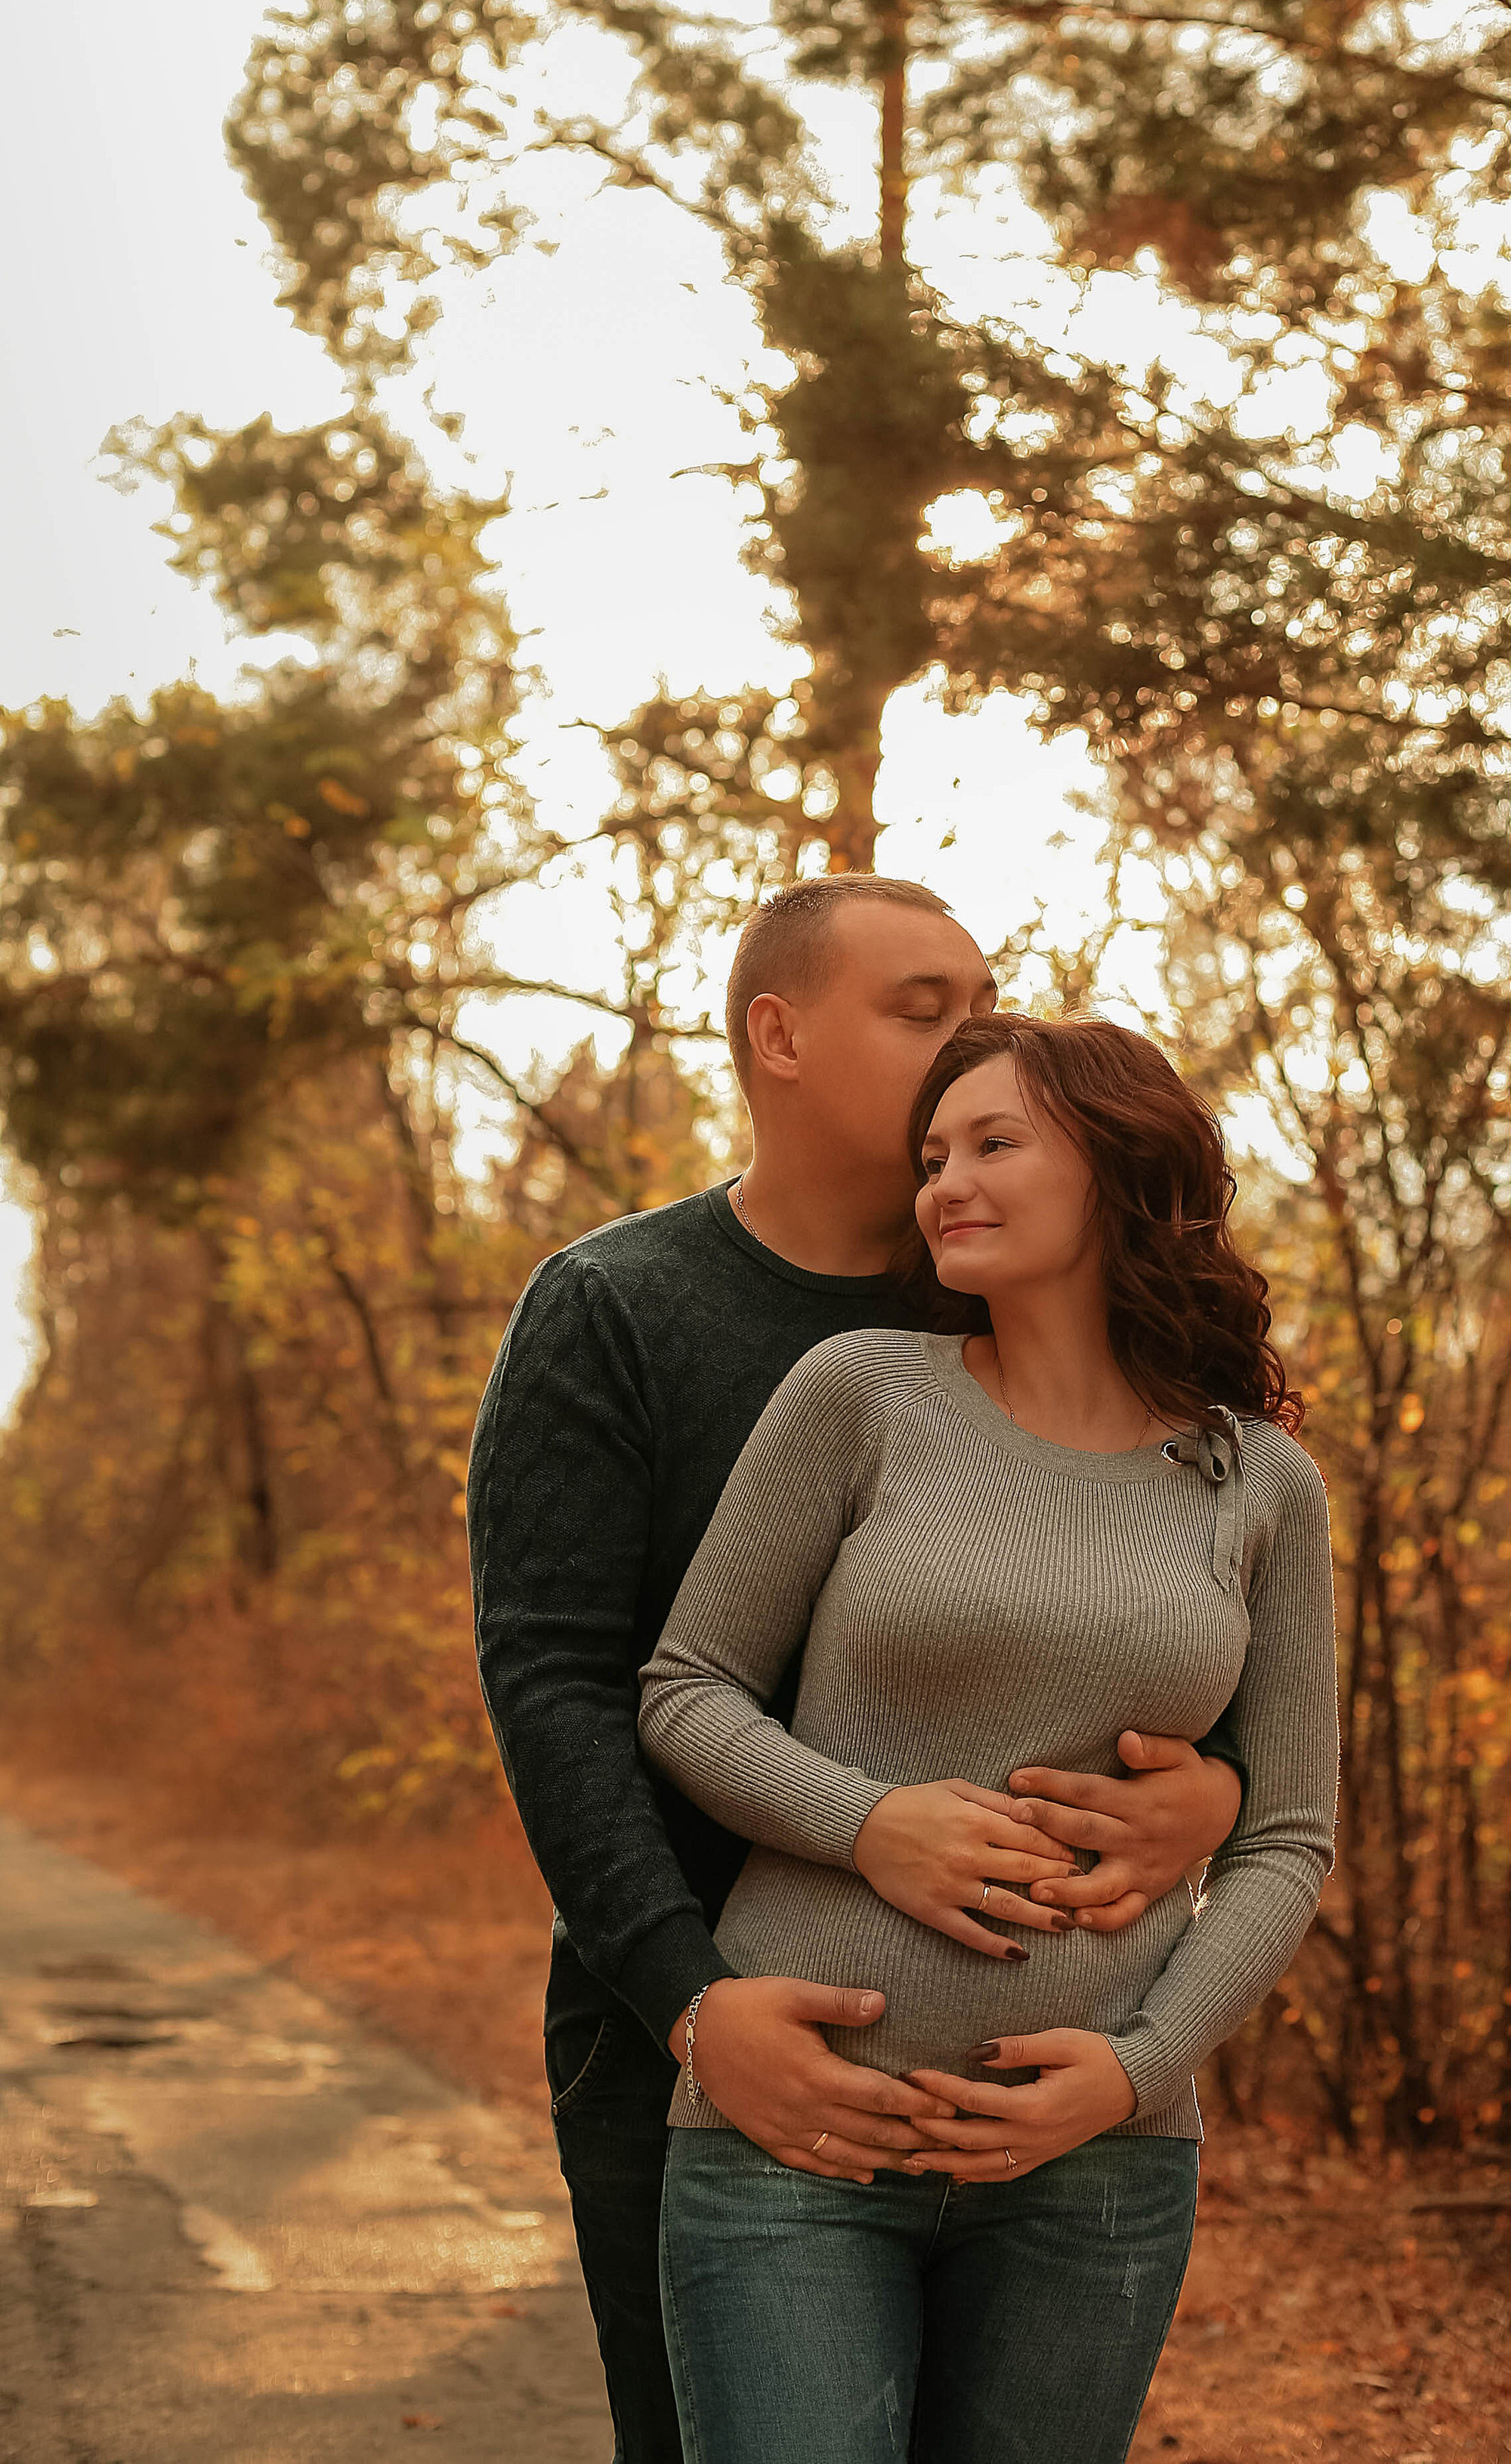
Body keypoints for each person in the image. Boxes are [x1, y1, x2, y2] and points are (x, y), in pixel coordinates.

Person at [468, 879, 1251, 2460]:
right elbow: (558, 1687)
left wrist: (1214, 1794)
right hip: (700, 2021)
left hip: (1031, 2075)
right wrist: (693, 2003)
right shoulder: (619, 1305)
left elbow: (1170, 1628)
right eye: (917, 1004)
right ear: (777, 1035)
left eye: (978, 998)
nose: (965, 1036)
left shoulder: (1004, 1287)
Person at [639, 1010, 1340, 2464]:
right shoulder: (863, 1395)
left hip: (1092, 2171)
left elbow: (1287, 1836)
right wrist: (869, 1823)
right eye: (935, 1153)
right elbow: (688, 1689)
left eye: (995, 1144)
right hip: (802, 2138)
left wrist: (1136, 2069)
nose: (945, 1180)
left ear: (1118, 1165)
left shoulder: (1257, 1481)